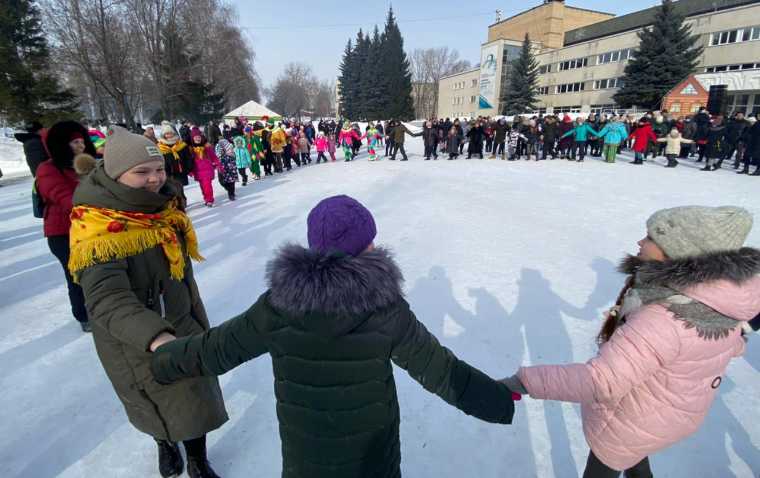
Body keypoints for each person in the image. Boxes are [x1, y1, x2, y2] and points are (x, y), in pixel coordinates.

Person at [150, 195, 516, 478]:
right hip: (373, 460)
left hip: (305, 460)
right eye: (370, 241)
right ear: (363, 248)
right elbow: (441, 371)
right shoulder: (385, 310)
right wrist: (500, 398)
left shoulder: (278, 306)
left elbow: (217, 349)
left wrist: (163, 357)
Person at [503, 206, 760, 478]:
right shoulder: (717, 303)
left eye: (650, 237)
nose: (640, 242)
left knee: (614, 454)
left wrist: (524, 382)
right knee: (635, 451)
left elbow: (601, 381)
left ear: (676, 251)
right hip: (665, 412)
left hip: (636, 416)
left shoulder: (664, 319)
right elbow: (728, 345)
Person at [68, 126, 227, 478]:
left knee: (194, 397)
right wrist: (156, 336)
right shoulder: (99, 228)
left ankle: (198, 459)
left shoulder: (159, 208)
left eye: (158, 170)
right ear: (115, 174)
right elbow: (106, 299)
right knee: (153, 401)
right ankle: (164, 443)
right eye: (142, 172)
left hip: (182, 321)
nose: (155, 179)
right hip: (136, 338)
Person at [36, 121, 95, 332]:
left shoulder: (89, 163)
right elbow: (65, 198)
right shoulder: (48, 169)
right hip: (63, 233)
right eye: (74, 143)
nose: (80, 146)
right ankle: (84, 315)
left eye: (81, 141)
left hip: (91, 228)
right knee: (76, 275)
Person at [157, 121, 194, 190]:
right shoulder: (160, 147)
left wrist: (188, 168)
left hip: (181, 172)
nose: (169, 135)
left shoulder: (181, 145)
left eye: (170, 133)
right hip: (168, 174)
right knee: (171, 191)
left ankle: (182, 200)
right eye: (166, 134)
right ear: (163, 135)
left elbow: (188, 157)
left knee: (180, 190)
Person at [189, 127, 221, 207]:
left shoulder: (207, 147)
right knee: (203, 187)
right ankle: (206, 198)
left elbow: (214, 157)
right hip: (198, 171)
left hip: (208, 170)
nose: (197, 139)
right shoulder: (191, 150)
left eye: (199, 137)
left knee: (207, 186)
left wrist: (218, 164)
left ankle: (209, 200)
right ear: (193, 139)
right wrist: (190, 170)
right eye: (195, 137)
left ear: (201, 137)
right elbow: (189, 161)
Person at [215, 136, 238, 201]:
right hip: (221, 166)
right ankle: (229, 190)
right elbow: (216, 155)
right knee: (222, 181)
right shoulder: (218, 147)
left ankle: (231, 194)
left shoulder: (229, 148)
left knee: (231, 181)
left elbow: (233, 155)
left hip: (230, 166)